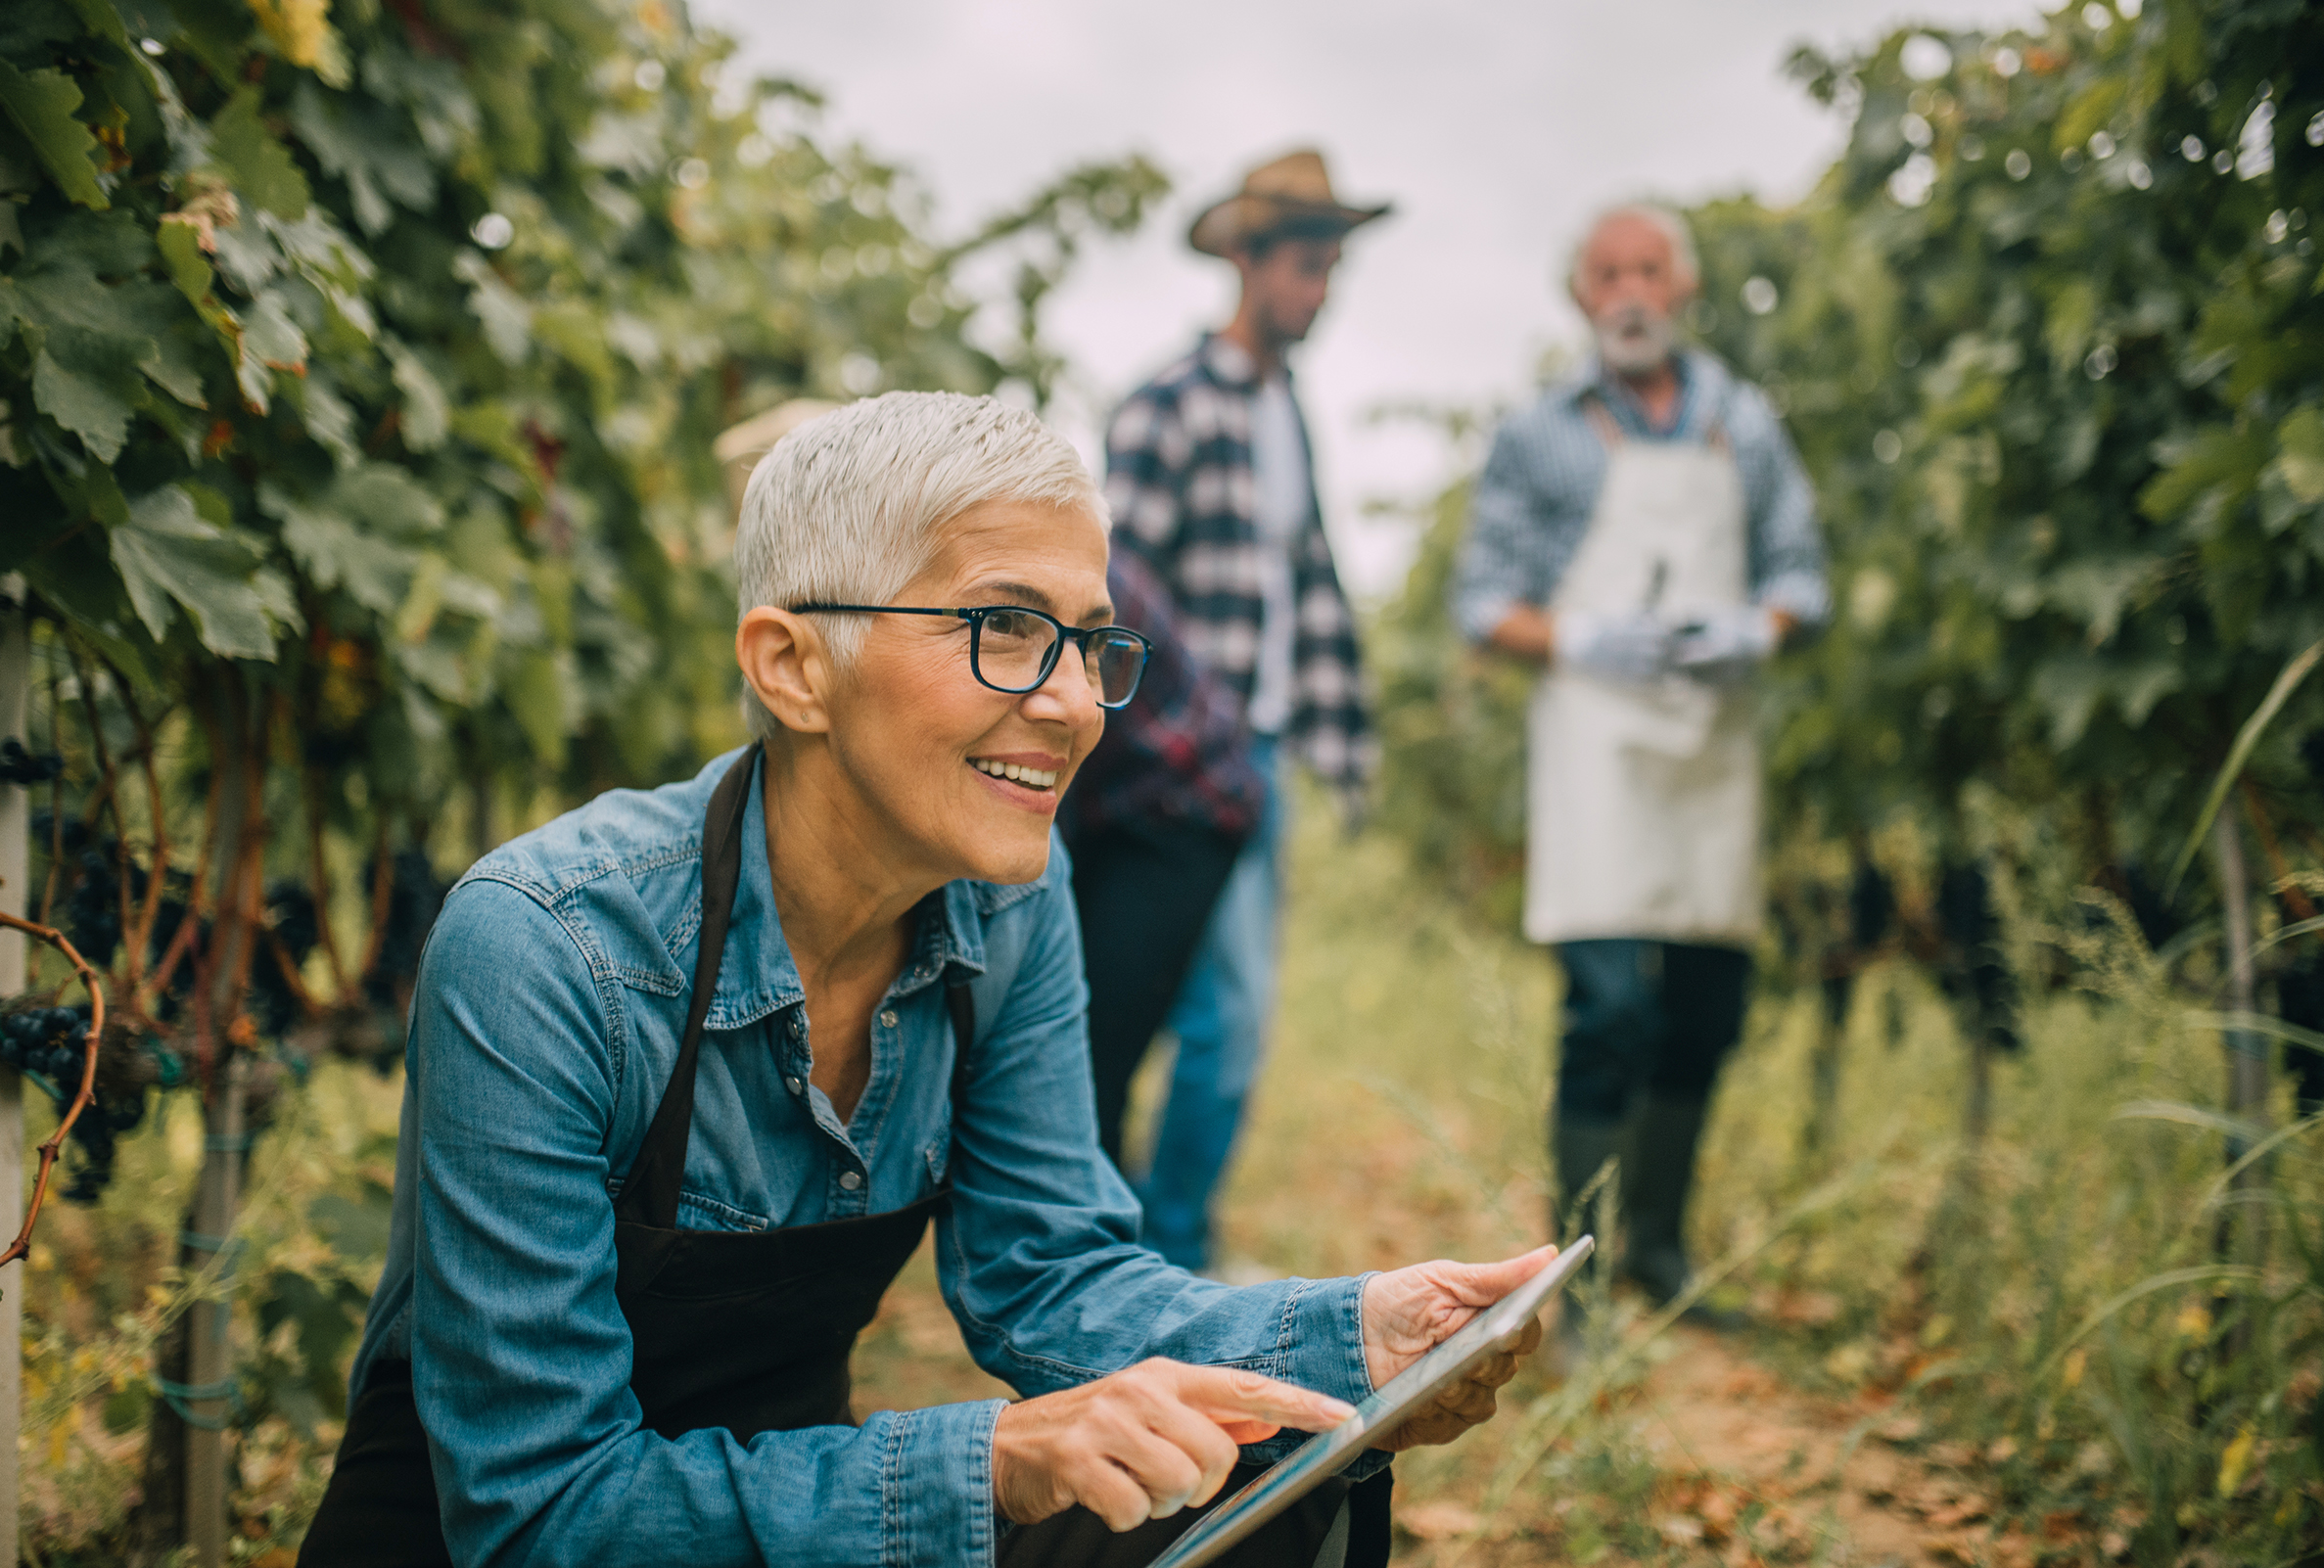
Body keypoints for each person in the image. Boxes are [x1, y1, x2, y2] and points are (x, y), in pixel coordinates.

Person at [300, 392, 1556, 1568]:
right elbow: (541, 1513)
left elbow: (1048, 1273)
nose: (1074, 704)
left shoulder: (1013, 901)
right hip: (508, 1539)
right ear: (794, 667)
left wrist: (1359, 1340)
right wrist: (996, 1461)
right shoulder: (544, 948)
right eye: (1007, 629)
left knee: (1261, 1464)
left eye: (1089, 643)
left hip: (778, 1519)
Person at [1450, 206, 1829, 1321]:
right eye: (1606, 272)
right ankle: (1576, 1281)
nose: (1629, 292)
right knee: (1609, 1005)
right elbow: (1484, 603)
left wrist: (1761, 628)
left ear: (1683, 286)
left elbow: (1801, 572)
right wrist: (1579, 637)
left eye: (1648, 270)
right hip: (1599, 744)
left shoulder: (1745, 426)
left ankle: (1659, 1253)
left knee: (1708, 1002)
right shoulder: (1541, 435)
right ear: (1580, 297)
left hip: (1711, 745)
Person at [1103, 149, 1386, 1272]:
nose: (1317, 292)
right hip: (1179, 767)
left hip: (1259, 755)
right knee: (1210, 1018)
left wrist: (1341, 738)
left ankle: (1156, 1241)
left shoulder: (1288, 417)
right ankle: (1161, 1254)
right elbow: (1118, 587)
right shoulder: (1167, 406)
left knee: (1220, 1020)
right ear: (1248, 260)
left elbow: (1306, 587)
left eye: (1330, 271)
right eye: (1305, 268)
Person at [1059, 543, 1266, 1170]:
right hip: (1109, 799)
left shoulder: (1065, 567)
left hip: (1184, 805)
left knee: (1091, 1059)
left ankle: (1097, 1250)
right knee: (1073, 1049)